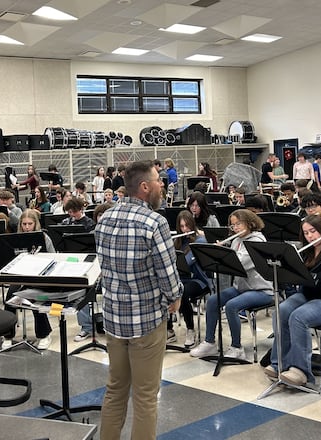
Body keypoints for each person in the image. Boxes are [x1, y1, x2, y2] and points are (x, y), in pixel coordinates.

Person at [95, 160, 182, 440]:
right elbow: (168, 274)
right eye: (158, 181)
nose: (162, 185)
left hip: (114, 319)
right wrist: (175, 297)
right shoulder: (155, 223)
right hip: (146, 321)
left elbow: (104, 265)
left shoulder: (105, 218)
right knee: (145, 396)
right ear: (145, 187)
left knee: (115, 389)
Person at [263, 215, 321, 386]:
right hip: (309, 296)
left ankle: (300, 370)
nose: (310, 236)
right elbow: (304, 283)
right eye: (306, 233)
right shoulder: (306, 252)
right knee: (281, 311)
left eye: (313, 231)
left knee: (298, 317)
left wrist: (302, 276)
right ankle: (279, 363)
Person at [189, 209, 274, 360]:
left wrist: (223, 254)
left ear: (250, 223)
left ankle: (237, 347)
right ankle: (209, 343)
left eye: (239, 224)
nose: (236, 228)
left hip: (262, 290)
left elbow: (240, 264)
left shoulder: (257, 241)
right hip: (242, 288)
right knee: (213, 301)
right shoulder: (236, 240)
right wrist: (218, 254)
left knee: (231, 306)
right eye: (233, 225)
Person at [1, 210, 54, 350]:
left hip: (39, 277)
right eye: (24, 224)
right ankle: (8, 335)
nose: (27, 227)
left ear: (35, 224)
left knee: (35, 298)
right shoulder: (16, 238)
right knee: (9, 298)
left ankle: (44, 334)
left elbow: (53, 258)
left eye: (30, 224)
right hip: (20, 275)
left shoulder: (44, 237)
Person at [165, 211, 210, 347]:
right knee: (164, 289)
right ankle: (168, 330)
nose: (185, 229)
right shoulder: (177, 241)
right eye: (182, 227)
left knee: (181, 291)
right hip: (181, 278)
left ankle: (190, 329)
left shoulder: (200, 240)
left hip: (198, 280)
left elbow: (187, 261)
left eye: (187, 226)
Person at [74, 201, 114, 342]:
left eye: (105, 215)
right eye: (99, 215)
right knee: (81, 290)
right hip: (93, 272)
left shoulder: (117, 235)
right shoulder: (91, 234)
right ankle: (86, 327)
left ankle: (111, 325)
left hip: (112, 275)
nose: (102, 218)